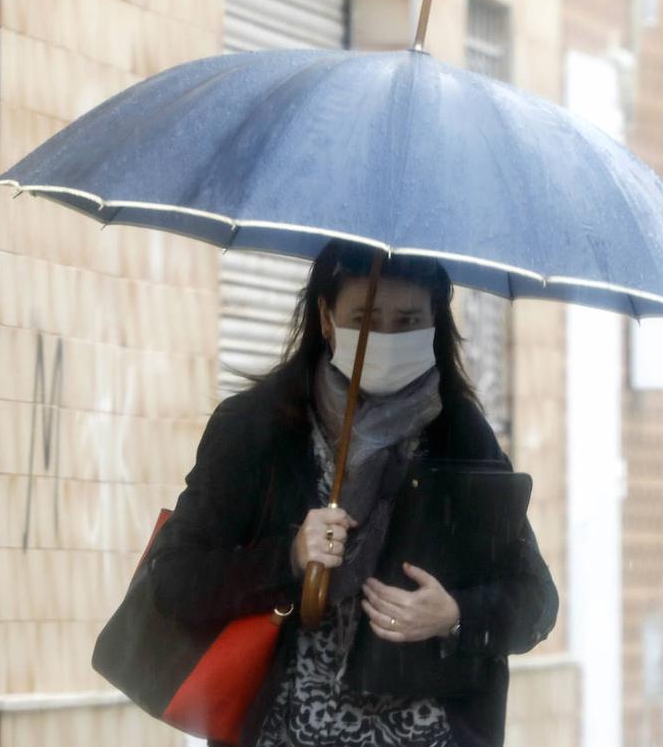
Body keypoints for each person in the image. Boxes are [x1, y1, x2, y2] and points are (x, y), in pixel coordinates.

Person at [147, 240, 559, 747]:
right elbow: (172, 579)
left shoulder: (460, 436)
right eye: (365, 317)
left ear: (435, 324)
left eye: (407, 321)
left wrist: (454, 615)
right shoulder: (256, 431)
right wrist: (289, 558)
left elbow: (536, 600)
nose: (385, 336)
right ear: (326, 318)